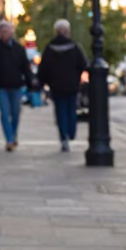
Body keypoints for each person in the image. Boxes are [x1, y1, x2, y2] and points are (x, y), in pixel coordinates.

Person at [37, 19, 89, 152]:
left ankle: (63, 137)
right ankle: (71, 133)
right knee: (71, 110)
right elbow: (84, 64)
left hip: (56, 86)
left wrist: (42, 82)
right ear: (68, 31)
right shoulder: (74, 46)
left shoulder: (49, 48)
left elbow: (43, 68)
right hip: (71, 84)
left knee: (60, 111)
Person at [0, 20, 33, 151]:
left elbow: (26, 69)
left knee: (16, 113)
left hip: (16, 86)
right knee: (5, 113)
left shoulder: (19, 49)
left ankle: (13, 133)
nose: (4, 33)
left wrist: (31, 84)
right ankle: (9, 139)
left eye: (7, 31)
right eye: (2, 31)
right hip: (1, 87)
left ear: (11, 32)